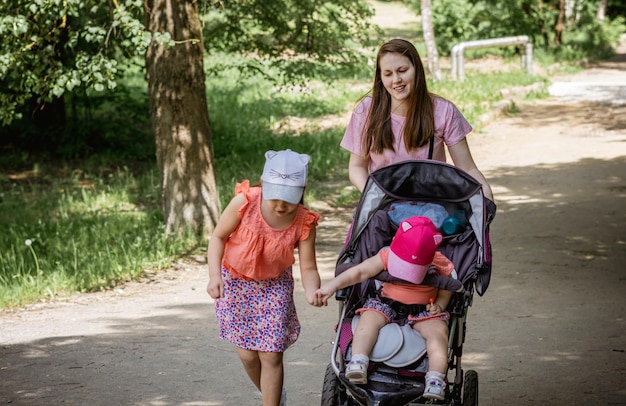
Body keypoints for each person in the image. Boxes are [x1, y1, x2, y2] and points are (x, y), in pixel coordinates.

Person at [207, 149, 325, 406]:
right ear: (264, 185)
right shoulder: (244, 203)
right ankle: (273, 394)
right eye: (275, 198)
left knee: (271, 355)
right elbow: (217, 237)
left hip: (274, 287)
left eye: (289, 199)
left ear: (302, 191)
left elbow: (308, 267)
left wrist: (312, 290)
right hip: (236, 283)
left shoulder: (304, 221)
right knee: (248, 355)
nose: (281, 205)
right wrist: (214, 276)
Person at [315, 216, 456, 401]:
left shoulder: (439, 261)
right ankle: (358, 360)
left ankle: (435, 378)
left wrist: (440, 305)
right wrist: (331, 286)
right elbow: (359, 271)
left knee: (439, 335)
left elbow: (448, 287)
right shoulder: (387, 255)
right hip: (386, 303)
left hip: (423, 311)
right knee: (368, 321)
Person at [341, 38, 494, 201]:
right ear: (380, 77)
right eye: (388, 74)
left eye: (402, 70)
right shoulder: (366, 111)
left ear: (417, 69)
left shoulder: (443, 111)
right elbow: (357, 167)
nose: (396, 80)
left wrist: (487, 198)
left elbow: (468, 168)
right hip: (383, 205)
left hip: (432, 205)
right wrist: (376, 196)